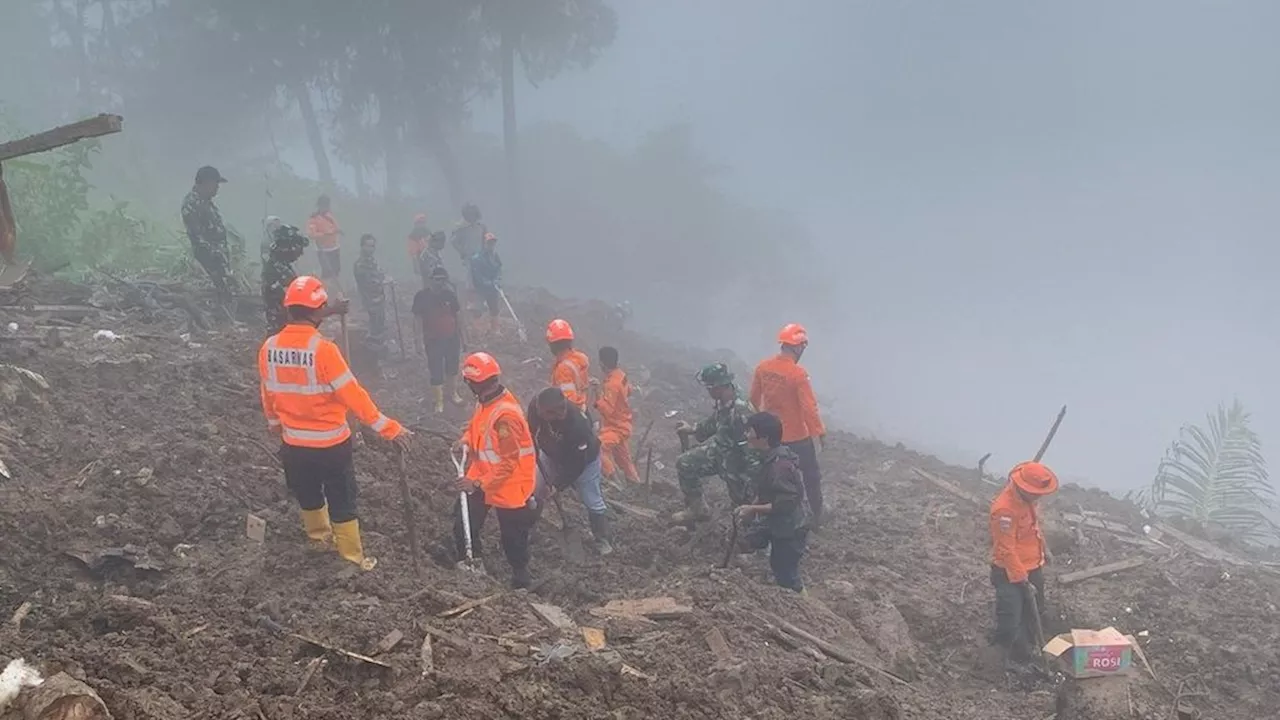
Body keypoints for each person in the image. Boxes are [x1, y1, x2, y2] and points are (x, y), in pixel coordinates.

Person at [257, 276, 409, 570]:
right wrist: (390, 429)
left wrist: (275, 424)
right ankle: (350, 557)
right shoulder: (324, 350)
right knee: (342, 499)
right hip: (330, 444)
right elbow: (355, 398)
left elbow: (268, 393)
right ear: (318, 311)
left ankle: (318, 540)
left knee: (308, 494)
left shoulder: (269, 348)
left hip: (293, 444)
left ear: (288, 310)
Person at [453, 352, 537, 588]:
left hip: (508, 483)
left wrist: (478, 484)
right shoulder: (485, 401)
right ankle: (472, 565)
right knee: (463, 522)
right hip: (482, 475)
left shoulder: (505, 417)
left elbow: (509, 462)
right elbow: (476, 428)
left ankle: (521, 580)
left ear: (473, 383)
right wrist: (465, 440)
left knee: (513, 537)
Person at [750, 323, 828, 526]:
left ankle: (763, 515)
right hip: (796, 436)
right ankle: (817, 515)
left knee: (770, 476)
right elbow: (809, 407)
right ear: (799, 347)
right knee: (811, 476)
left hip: (771, 437)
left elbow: (753, 399)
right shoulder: (798, 374)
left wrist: (762, 424)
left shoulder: (763, 367)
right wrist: (819, 432)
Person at [989, 461, 1059, 668]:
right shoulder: (1004, 510)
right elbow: (1006, 549)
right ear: (1023, 488)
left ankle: (1026, 653)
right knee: (1011, 617)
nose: (1039, 497)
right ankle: (1002, 657)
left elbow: (1033, 529)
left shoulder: (1028, 501)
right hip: (1009, 572)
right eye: (1035, 493)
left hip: (1033, 565)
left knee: (1035, 610)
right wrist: (1022, 580)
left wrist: (1045, 549)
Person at [528, 387, 613, 555]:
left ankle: (602, 539)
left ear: (558, 413)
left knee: (591, 499)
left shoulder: (578, 426)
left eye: (543, 413)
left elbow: (576, 466)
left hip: (584, 461)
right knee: (536, 488)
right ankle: (530, 529)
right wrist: (534, 451)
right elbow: (531, 430)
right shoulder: (537, 405)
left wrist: (557, 485)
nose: (539, 414)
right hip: (551, 454)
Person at [671, 363, 759, 524]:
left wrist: (754, 476)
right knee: (685, 463)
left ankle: (751, 538)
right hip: (719, 450)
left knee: (742, 504)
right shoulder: (723, 399)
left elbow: (751, 448)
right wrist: (694, 429)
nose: (708, 391)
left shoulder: (741, 411)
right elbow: (716, 421)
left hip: (737, 462)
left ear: (718, 386)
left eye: (709, 387)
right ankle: (698, 509)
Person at [736, 412, 810, 593]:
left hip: (791, 528)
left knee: (786, 573)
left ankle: (801, 603)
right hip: (780, 524)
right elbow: (768, 491)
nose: (747, 436)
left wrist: (752, 509)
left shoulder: (779, 467)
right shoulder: (771, 458)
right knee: (758, 545)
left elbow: (784, 504)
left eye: (751, 432)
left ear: (765, 438)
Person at [181, 165, 234, 321]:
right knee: (218, 289)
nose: (217, 187)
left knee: (226, 290)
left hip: (218, 257)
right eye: (215, 183)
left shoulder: (206, 202)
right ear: (205, 182)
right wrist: (214, 254)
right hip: (208, 259)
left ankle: (225, 317)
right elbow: (196, 236)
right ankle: (220, 320)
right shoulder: (192, 203)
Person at [411, 265, 464, 412]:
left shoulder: (450, 295)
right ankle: (439, 401)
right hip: (432, 339)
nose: (440, 282)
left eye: (442, 279)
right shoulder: (422, 297)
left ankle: (452, 393)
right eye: (437, 279)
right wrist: (417, 341)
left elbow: (457, 316)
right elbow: (416, 320)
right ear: (431, 280)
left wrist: (464, 338)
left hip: (451, 337)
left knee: (452, 366)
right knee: (435, 369)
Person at [594, 346, 639, 484]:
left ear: (602, 363)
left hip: (615, 427)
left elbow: (607, 411)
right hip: (624, 424)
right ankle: (635, 484)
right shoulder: (621, 375)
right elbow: (629, 390)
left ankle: (614, 482)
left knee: (598, 447)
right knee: (624, 460)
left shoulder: (611, 385)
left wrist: (597, 396)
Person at [261, 224, 309, 334]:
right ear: (287, 248)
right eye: (297, 248)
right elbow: (293, 301)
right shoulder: (277, 270)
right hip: (281, 326)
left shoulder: (281, 266)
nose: (300, 253)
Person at [352, 233, 390, 348]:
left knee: (380, 326)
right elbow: (367, 282)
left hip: (379, 299)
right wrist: (383, 281)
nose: (371, 249)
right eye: (368, 246)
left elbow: (380, 273)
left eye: (373, 246)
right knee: (374, 328)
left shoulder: (372, 261)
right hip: (370, 300)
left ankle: (378, 351)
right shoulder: (360, 264)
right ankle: (372, 353)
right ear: (362, 246)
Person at [546, 319, 590, 413]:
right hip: (583, 410)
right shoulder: (579, 359)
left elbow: (568, 401)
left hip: (573, 417)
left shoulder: (563, 369)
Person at [306, 194, 344, 296]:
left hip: (334, 247)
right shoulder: (313, 218)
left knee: (336, 270)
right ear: (319, 205)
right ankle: (323, 292)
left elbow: (335, 227)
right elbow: (311, 234)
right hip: (322, 249)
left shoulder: (330, 215)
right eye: (323, 205)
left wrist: (338, 231)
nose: (325, 207)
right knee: (327, 272)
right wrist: (326, 234)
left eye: (327, 205)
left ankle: (334, 292)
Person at [469, 232, 503, 333]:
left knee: (494, 309)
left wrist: (497, 279)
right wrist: (488, 282)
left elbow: (499, 268)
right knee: (478, 310)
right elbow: (477, 276)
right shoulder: (477, 258)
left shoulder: (495, 256)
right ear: (484, 244)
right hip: (480, 289)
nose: (491, 245)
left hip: (492, 288)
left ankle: (495, 330)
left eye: (493, 243)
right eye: (489, 243)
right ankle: (477, 331)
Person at [451, 202, 487, 288]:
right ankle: (470, 296)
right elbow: (454, 242)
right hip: (469, 256)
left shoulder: (481, 227)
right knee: (470, 277)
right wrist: (462, 252)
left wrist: (485, 251)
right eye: (469, 214)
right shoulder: (462, 228)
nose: (472, 216)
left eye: (473, 214)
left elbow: (485, 239)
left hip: (481, 255)